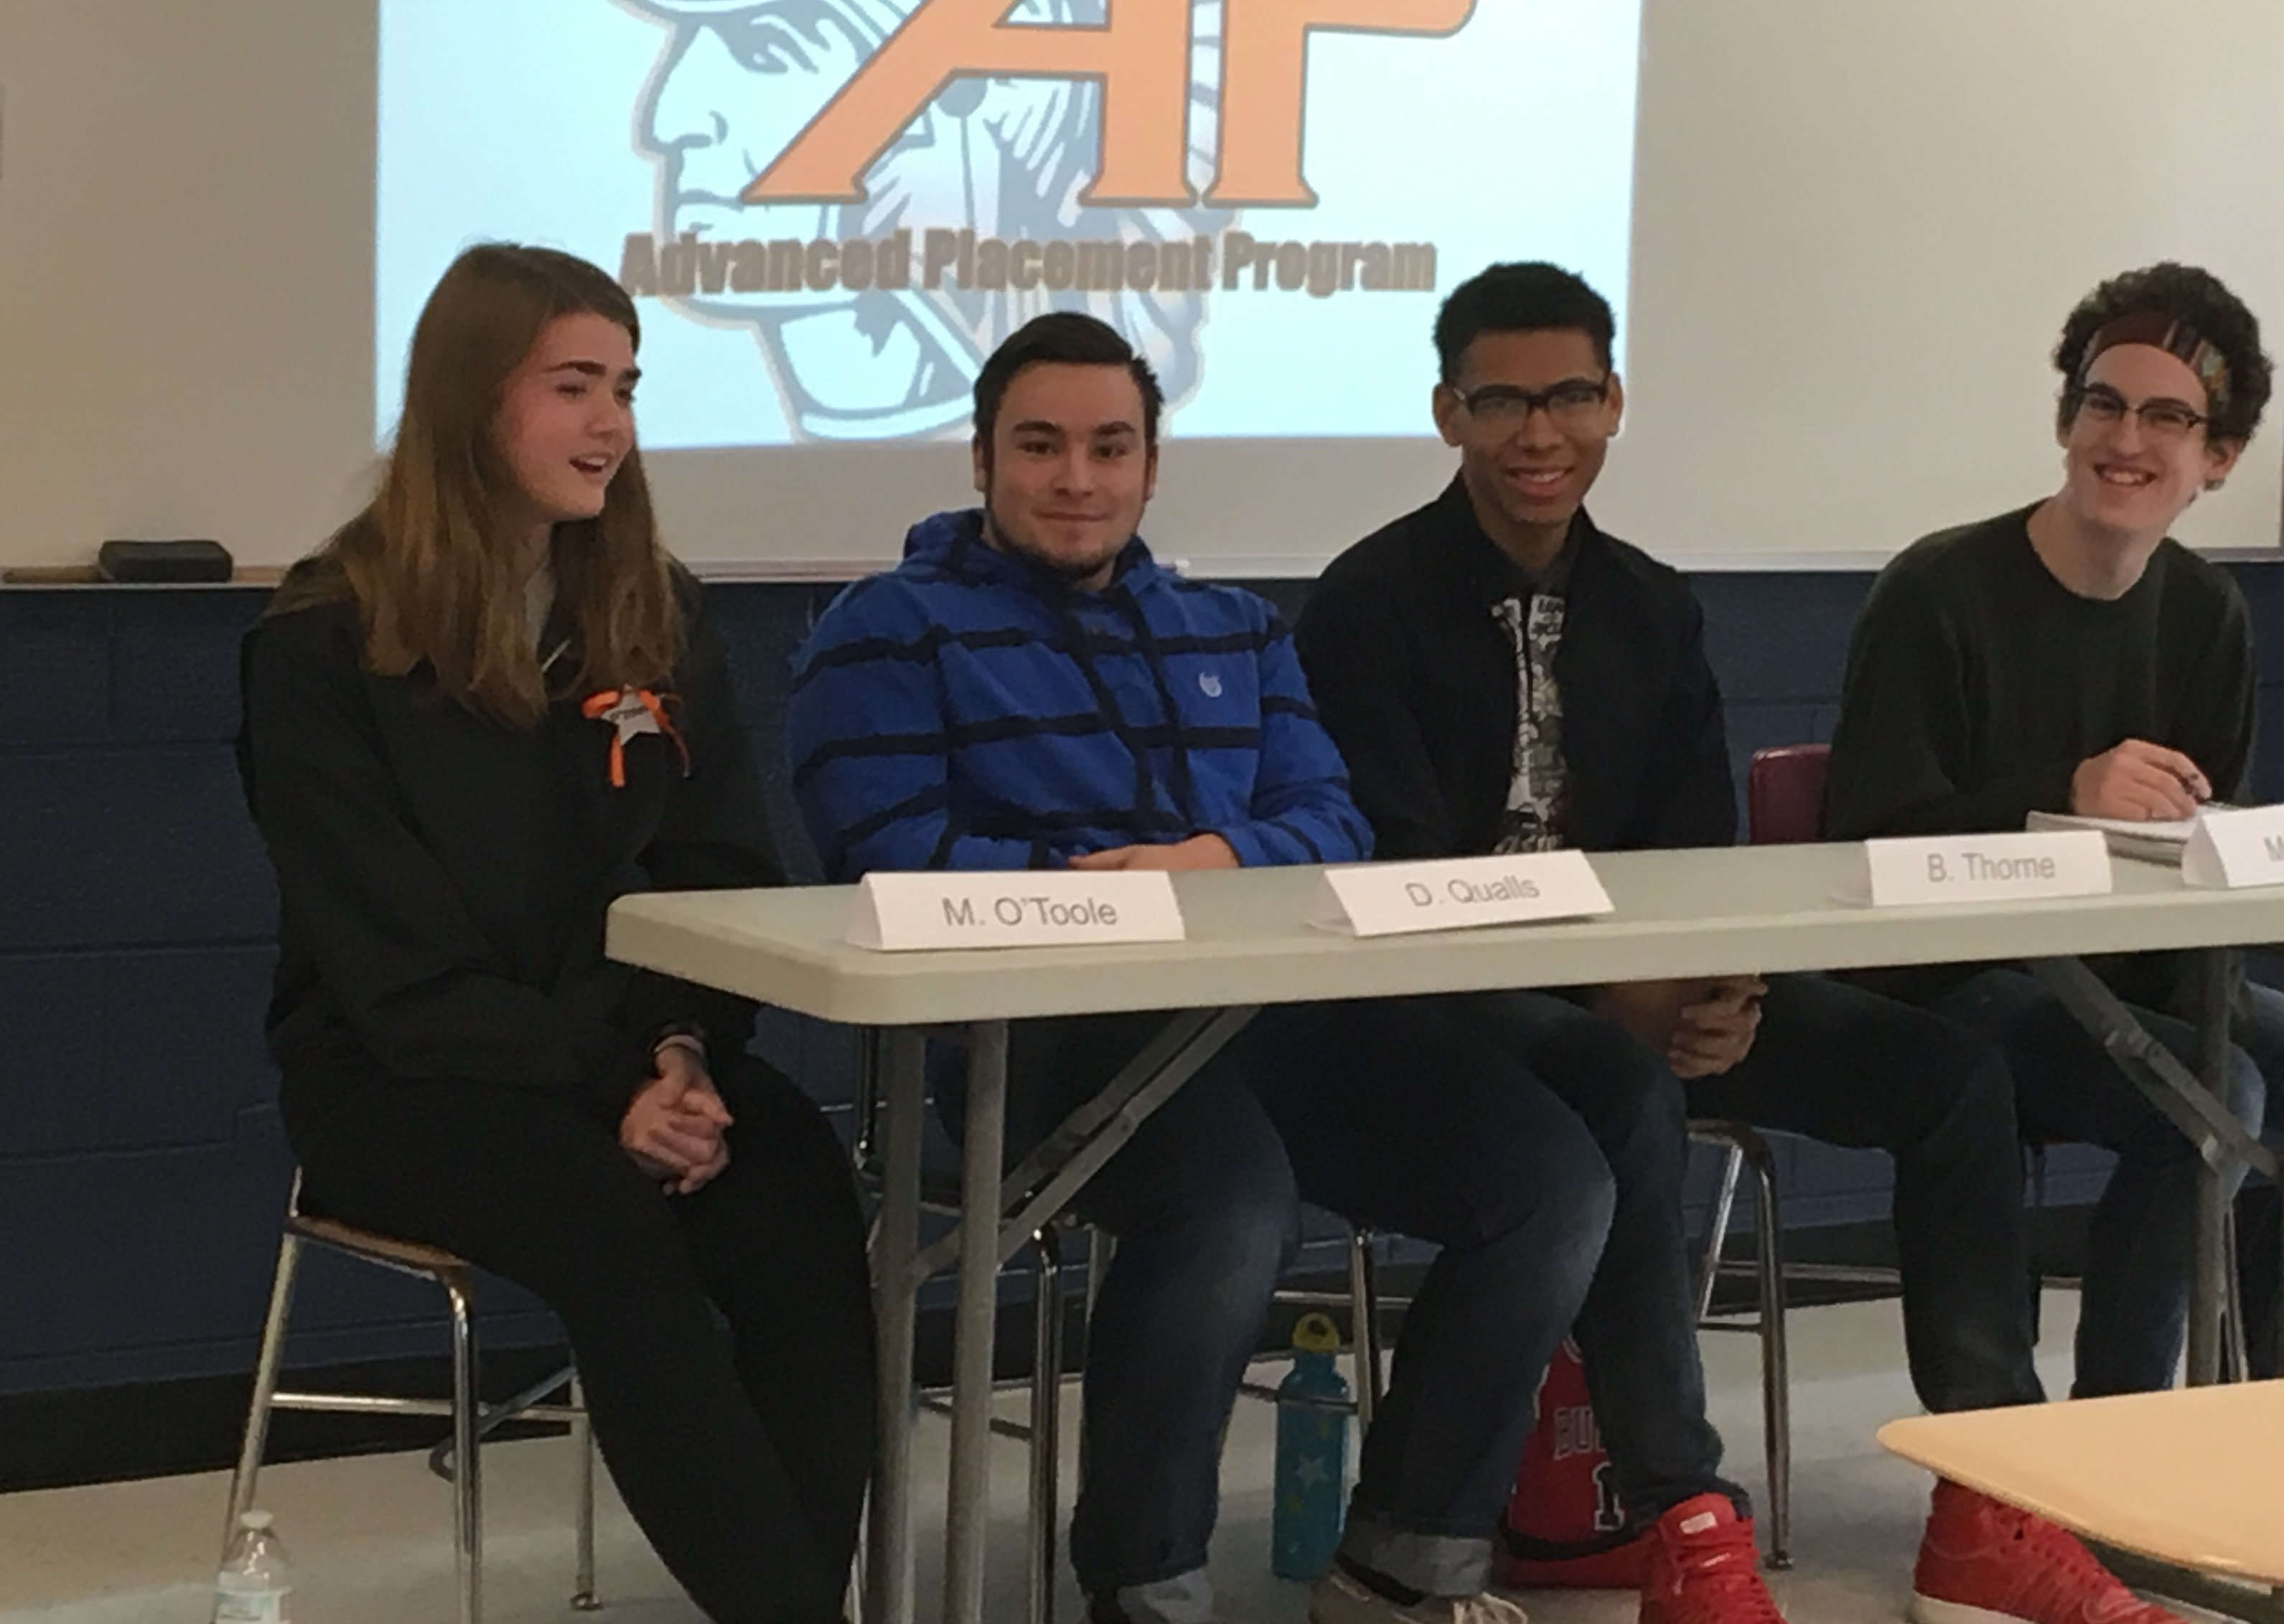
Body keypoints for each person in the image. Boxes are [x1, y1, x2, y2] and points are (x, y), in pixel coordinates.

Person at [1296, 261, 2191, 1624]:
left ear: (1615, 403)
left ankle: (1991, 1496)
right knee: (1624, 1083)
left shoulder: (1653, 604)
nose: (1541, 434)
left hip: (1642, 989)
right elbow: (1407, 881)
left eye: (1572, 397)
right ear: (1447, 413)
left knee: (1950, 1080)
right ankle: (1682, 1511)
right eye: (1503, 402)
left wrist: (1723, 980)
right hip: (1460, 1010)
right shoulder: (1367, 601)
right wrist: (1633, 998)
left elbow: (1697, 852)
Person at [785, 312, 1617, 1624]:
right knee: (1232, 1204)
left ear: (1153, 465)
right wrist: (1081, 895)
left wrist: (1222, 858)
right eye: (1042, 446)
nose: (1077, 478)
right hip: (1026, 1043)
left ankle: (1408, 1559)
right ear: (983, 458)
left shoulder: (1239, 630)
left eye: (1110, 447)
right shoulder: (883, 633)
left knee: (1552, 1177)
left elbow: (1332, 821)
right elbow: (887, 854)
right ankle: (1148, 1587)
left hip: (1259, 1024)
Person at [237, 244, 874, 1624]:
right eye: (574, 385)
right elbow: (394, 968)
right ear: (471, 402)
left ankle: (795, 1603)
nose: (613, 425)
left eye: (627, 387)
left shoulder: (654, 610)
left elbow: (714, 876)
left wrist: (685, 1050)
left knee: (800, 1193)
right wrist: (616, 1096)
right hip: (405, 1080)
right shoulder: (321, 641)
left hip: (630, 1058)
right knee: (609, 1226)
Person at [1822, 260, 2284, 1396]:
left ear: (2216, 459)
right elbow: (1868, 838)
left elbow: (2201, 845)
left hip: (2139, 977)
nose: (2128, 438)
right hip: (1956, 980)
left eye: (2168, 417)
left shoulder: (2205, 612)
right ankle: (2116, 1431)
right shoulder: (1938, 591)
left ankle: (2251, 1393)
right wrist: (2064, 789)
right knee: (2219, 1106)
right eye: (2104, 404)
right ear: (2067, 422)